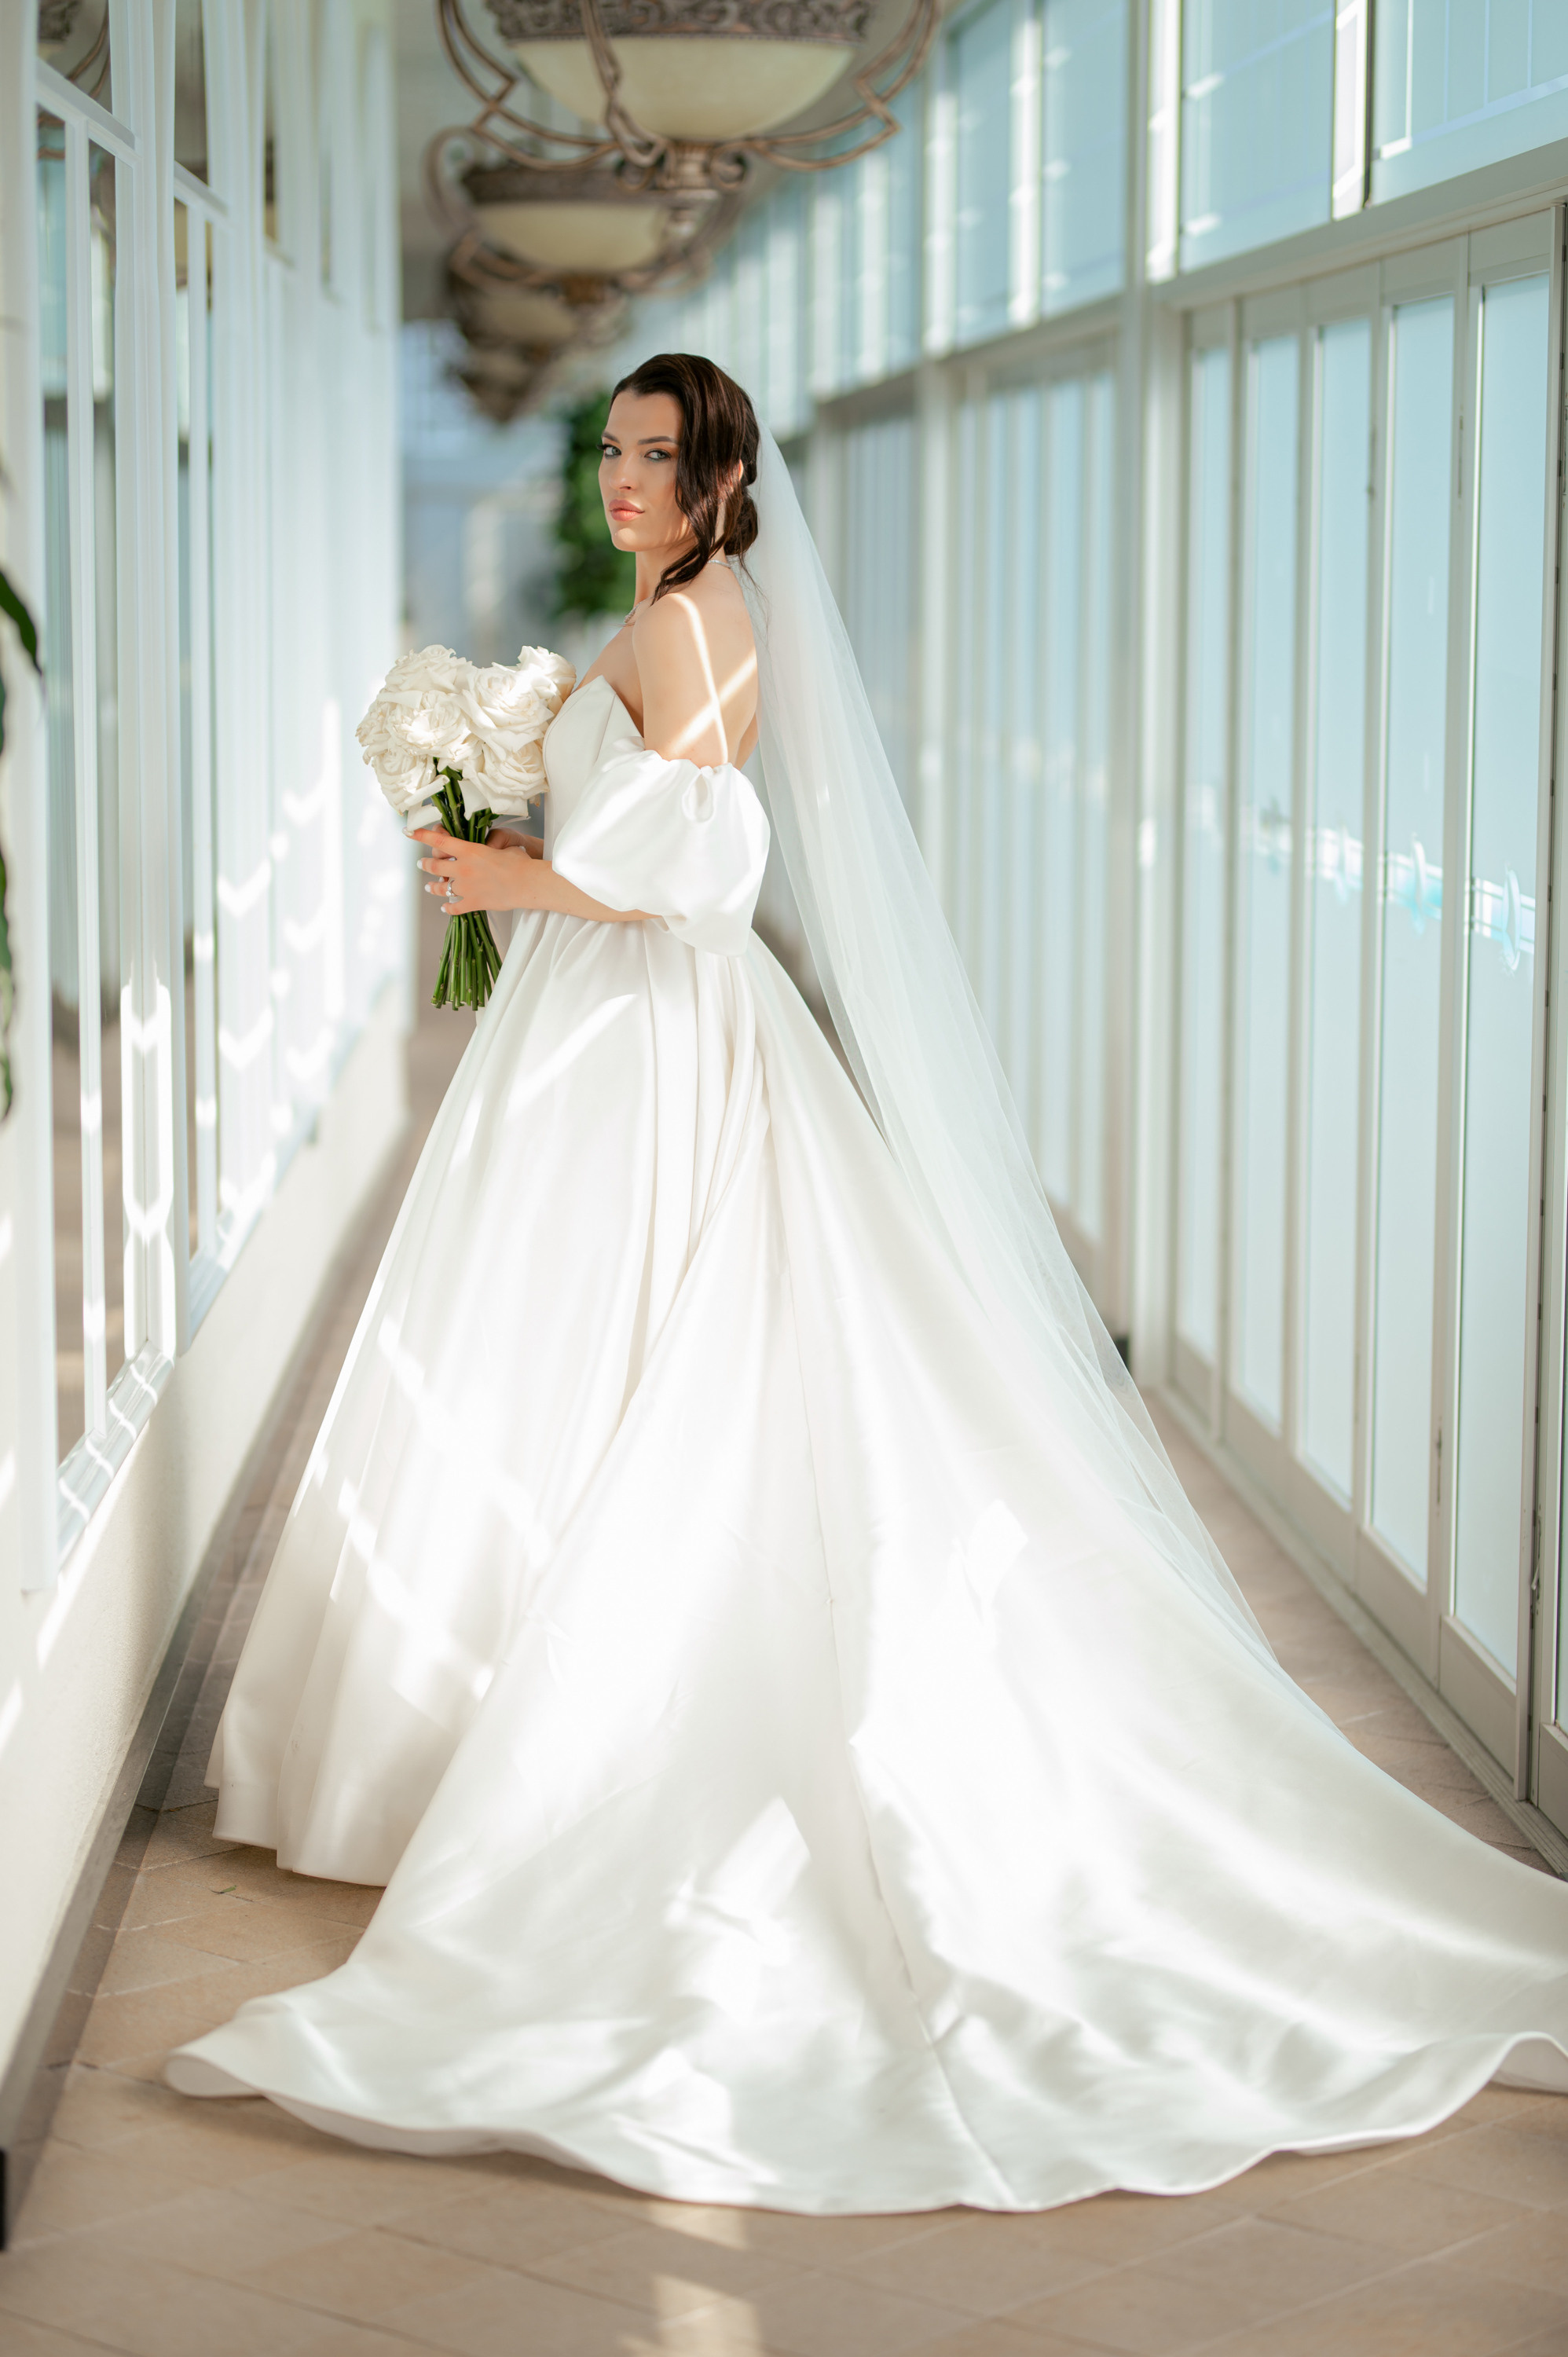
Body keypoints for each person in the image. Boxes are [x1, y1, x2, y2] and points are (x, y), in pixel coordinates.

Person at [166, 354, 1568, 2216]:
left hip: (643, 1028)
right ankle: (464, 1724)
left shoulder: (696, 618)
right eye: (610, 451)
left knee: (612, 1347)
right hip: (610, 1022)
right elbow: (647, 828)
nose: (621, 481)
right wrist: (512, 822)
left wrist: (513, 881)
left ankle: (518, 1749)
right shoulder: (678, 609)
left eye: (654, 457)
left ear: (718, 476)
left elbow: (699, 866)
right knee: (568, 1349)